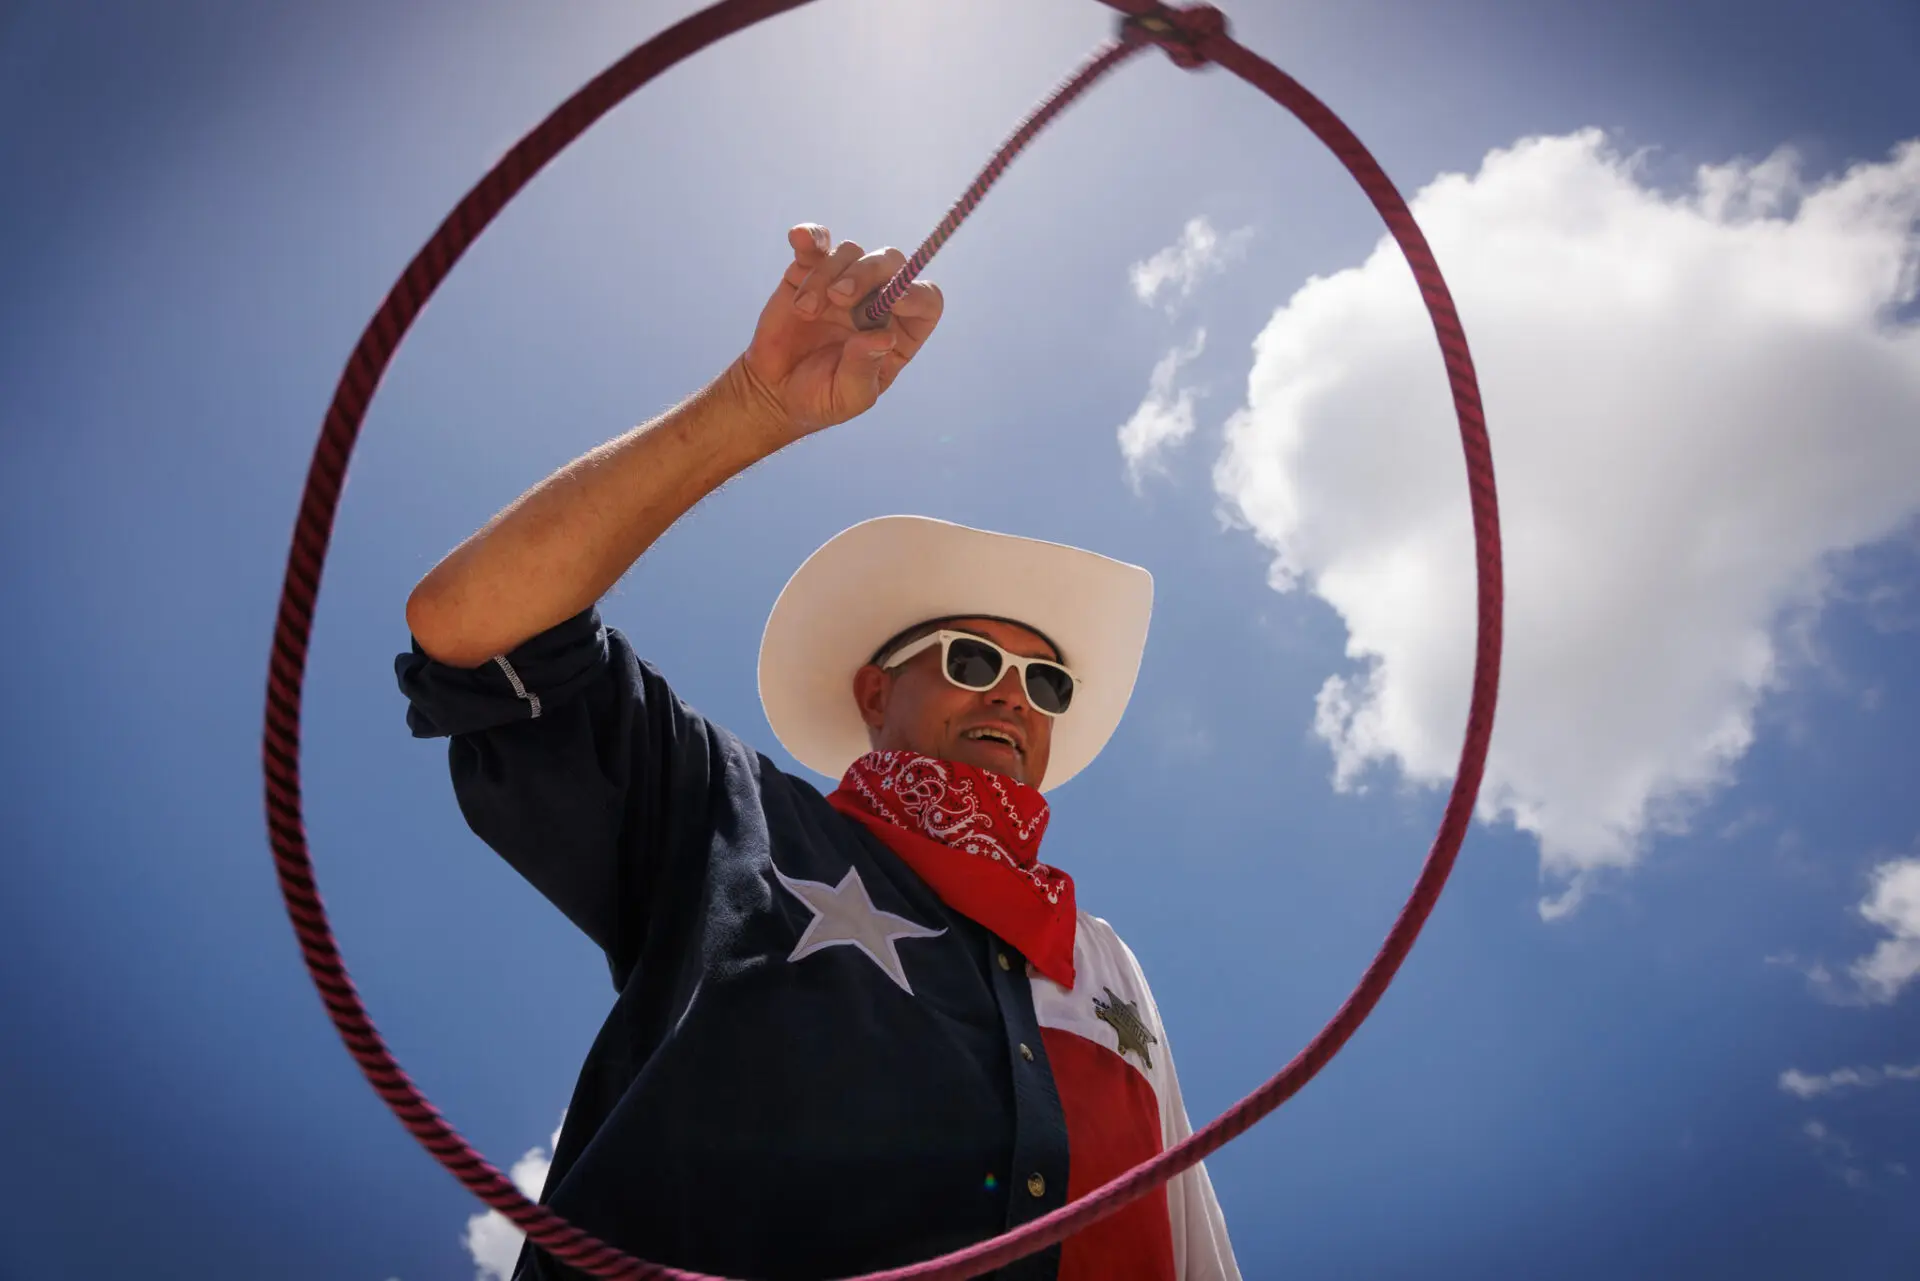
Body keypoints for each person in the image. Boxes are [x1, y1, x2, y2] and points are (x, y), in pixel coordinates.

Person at [397, 224, 1240, 1281]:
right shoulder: (731, 819)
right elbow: (471, 626)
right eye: (975, 658)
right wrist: (752, 405)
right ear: (876, 691)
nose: (1013, 695)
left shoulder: (1103, 967)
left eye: (1047, 683)